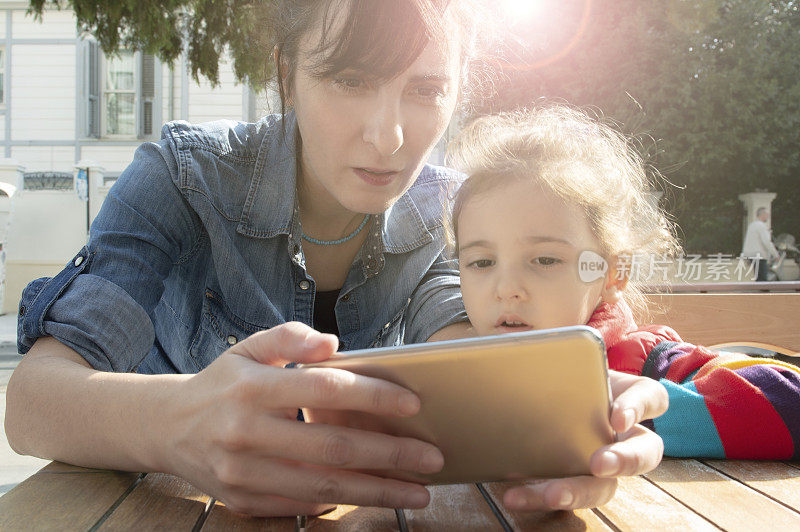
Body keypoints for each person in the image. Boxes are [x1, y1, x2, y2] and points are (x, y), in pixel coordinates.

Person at [5, 1, 668, 517]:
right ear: (286, 74)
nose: (390, 136)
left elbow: (459, 336)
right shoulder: (182, 178)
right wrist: (173, 426)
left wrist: (553, 424)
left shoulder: (450, 211)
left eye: (427, 89)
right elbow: (32, 403)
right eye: (350, 79)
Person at [448, 105, 800, 461]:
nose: (506, 287)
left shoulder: (651, 361)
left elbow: (791, 398)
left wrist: (624, 418)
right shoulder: (449, 374)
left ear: (613, 275)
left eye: (545, 259)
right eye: (481, 262)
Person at [741, 207, 780, 281]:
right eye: (767, 214)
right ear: (763, 214)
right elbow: (767, 242)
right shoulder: (761, 226)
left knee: (759, 277)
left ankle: (760, 291)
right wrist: (776, 255)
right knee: (762, 279)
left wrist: (745, 256)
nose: (768, 216)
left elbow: (748, 241)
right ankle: (762, 292)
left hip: (751, 255)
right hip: (759, 256)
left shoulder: (752, 225)